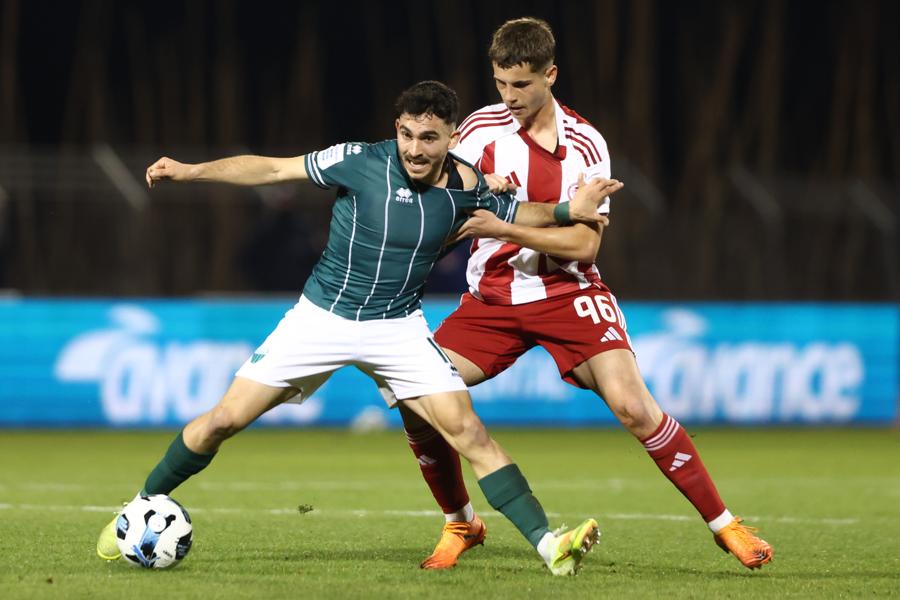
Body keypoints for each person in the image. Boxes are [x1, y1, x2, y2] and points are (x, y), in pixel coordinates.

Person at [95, 80, 624, 576]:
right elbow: (273, 170)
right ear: (396, 129)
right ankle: (138, 508)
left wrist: (566, 208)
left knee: (468, 432)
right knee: (222, 421)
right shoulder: (359, 161)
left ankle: (550, 546)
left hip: (398, 328)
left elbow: (522, 212)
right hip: (320, 319)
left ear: (452, 137)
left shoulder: (468, 185)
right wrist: (190, 172)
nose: (414, 149)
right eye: (406, 134)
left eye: (429, 138)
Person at [401, 19, 774, 571]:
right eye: (500, 83)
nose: (509, 97)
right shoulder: (477, 131)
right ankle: (461, 522)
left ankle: (726, 526)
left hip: (567, 293)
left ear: (550, 75)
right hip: (492, 300)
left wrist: (503, 227)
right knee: (416, 396)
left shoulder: (585, 144)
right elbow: (441, 196)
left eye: (521, 84)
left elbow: (584, 245)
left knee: (634, 407)